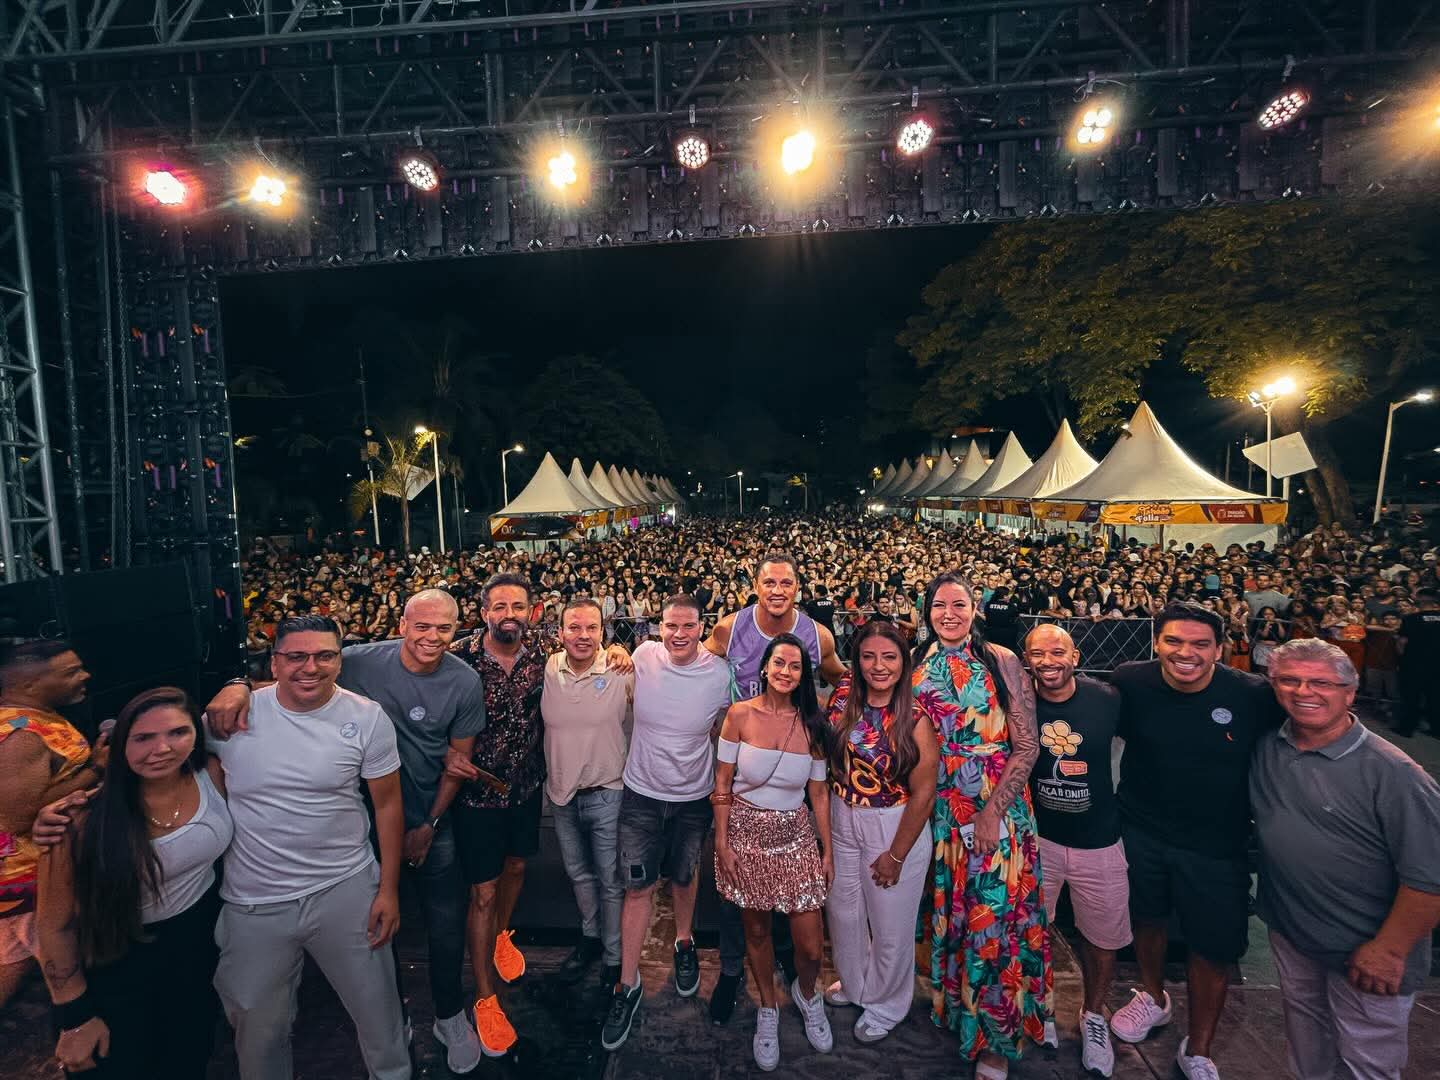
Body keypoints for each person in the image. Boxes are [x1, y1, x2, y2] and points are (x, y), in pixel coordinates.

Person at [205, 589, 488, 1073]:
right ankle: (396, 1022)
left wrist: (427, 831)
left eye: (444, 628)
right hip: (297, 872)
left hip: (413, 827)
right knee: (270, 1023)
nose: (311, 667)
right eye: (422, 626)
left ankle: (446, 1016)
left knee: (441, 929)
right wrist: (234, 682)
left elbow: (439, 774)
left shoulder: (454, 684)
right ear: (401, 624)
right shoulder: (344, 667)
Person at [208, 614, 410, 1080]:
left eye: (324, 656)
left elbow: (388, 806)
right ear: (274, 663)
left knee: (381, 1020)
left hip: (347, 890)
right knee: (258, 1033)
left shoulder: (365, 716)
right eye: (296, 656)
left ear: (340, 660)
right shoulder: (229, 718)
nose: (310, 667)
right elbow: (158, 763)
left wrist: (388, 890)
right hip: (253, 903)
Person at [444, 572, 631, 1056]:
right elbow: (402, 668)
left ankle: (514, 939)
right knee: (483, 894)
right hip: (480, 796)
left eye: (518, 606)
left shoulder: (540, 660)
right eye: (499, 605)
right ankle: (486, 997)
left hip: (529, 792)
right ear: (483, 611)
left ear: (533, 613)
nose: (509, 614)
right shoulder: (460, 658)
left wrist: (621, 653)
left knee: (521, 870)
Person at [1108, 602, 1282, 1080]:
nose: (1186, 653)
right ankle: (1153, 996)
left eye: (1200, 644)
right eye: (1175, 642)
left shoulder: (1252, 695)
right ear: (1156, 643)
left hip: (1218, 842)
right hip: (1141, 828)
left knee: (1214, 946)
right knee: (1147, 919)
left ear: (1220, 649)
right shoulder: (1131, 681)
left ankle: (1199, 1046)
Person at [1252, 638, 1440, 1080]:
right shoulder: (1269, 748)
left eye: (1321, 683)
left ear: (1350, 692)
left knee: (1366, 1063)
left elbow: (1430, 876)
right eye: (1289, 680)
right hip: (1295, 933)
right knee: (1307, 1049)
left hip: (1368, 950)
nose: (1304, 692)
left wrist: (1391, 950)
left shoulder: (1394, 772)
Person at [35, 687, 230, 1078]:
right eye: (143, 738)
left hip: (197, 951)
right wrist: (73, 1014)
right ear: (117, 744)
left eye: (178, 732)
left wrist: (239, 683)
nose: (162, 748)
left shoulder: (211, 774)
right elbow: (54, 926)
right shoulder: (82, 821)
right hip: (117, 963)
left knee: (188, 1059)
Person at [911, 572, 1049, 1079]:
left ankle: (997, 1035)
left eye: (959, 604)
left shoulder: (1000, 660)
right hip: (944, 804)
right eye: (939, 605)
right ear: (927, 611)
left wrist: (991, 811)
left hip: (997, 802)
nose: (949, 613)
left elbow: (1028, 743)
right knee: (957, 908)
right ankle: (959, 1011)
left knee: (996, 914)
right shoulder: (918, 662)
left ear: (976, 609)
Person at [703, 552, 846, 1022]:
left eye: (787, 582)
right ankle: (730, 973)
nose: (778, 589)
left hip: (792, 768)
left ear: (797, 587)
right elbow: (689, 659)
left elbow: (843, 677)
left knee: (792, 904)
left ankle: (790, 973)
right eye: (770, 582)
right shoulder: (730, 627)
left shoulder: (817, 634)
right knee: (736, 898)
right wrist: (629, 656)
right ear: (755, 583)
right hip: (739, 767)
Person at [600, 593, 734, 1050]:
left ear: (703, 627)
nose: (679, 634)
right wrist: (613, 649)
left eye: (688, 626)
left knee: (683, 876)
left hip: (693, 798)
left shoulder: (719, 675)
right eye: (671, 626)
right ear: (659, 626)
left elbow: (721, 729)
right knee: (637, 888)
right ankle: (627, 983)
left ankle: (683, 943)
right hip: (640, 796)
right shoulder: (640, 656)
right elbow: (611, 670)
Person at [712, 633, 834, 1072]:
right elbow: (722, 784)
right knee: (758, 933)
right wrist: (722, 842)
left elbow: (819, 792)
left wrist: (827, 849)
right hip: (745, 833)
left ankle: (807, 994)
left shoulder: (815, 725)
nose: (786, 672)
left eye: (795, 665)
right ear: (764, 667)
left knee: (811, 947)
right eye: (778, 663)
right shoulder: (739, 715)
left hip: (796, 835)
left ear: (804, 673)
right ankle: (768, 1007)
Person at [821, 619, 937, 1043]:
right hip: (841, 814)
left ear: (904, 664)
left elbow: (924, 793)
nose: (878, 665)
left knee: (890, 926)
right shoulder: (841, 701)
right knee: (844, 914)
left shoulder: (915, 717)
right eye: (868, 656)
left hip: (892, 824)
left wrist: (897, 854)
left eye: (889, 657)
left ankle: (887, 1004)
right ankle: (856, 985)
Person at [1021, 624, 1128, 1077]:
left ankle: (1094, 1015)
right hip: (1038, 839)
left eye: (1057, 651)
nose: (1048, 661)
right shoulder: (1020, 701)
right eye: (1038, 653)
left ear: (1076, 654)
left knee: (1102, 938)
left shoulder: (1106, 699)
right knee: (1031, 930)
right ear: (1026, 659)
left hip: (1098, 840)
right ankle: (1037, 1007)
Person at [0, 640, 98, 1007]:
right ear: (28, 685)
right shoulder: (21, 734)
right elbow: (16, 817)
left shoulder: (30, 719)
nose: (84, 676)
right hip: (28, 880)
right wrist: (97, 770)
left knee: (11, 964)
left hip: (24, 878)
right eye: (70, 672)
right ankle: (82, 1033)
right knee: (67, 969)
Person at [543, 598, 632, 987]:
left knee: (611, 880)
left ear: (603, 631)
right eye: (574, 628)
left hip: (608, 793)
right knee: (578, 874)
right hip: (561, 794)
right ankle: (590, 938)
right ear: (560, 632)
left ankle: (614, 956)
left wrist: (623, 652)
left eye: (591, 628)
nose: (582, 636)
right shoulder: (548, 668)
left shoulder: (620, 669)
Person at [1395, 588, 1440, 736]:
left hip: (1413, 665)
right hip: (1437, 666)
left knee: (1411, 697)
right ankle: (1436, 730)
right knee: (1436, 697)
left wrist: (1401, 659)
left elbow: (1402, 643)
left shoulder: (1410, 619)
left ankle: (1407, 729)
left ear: (1419, 601)